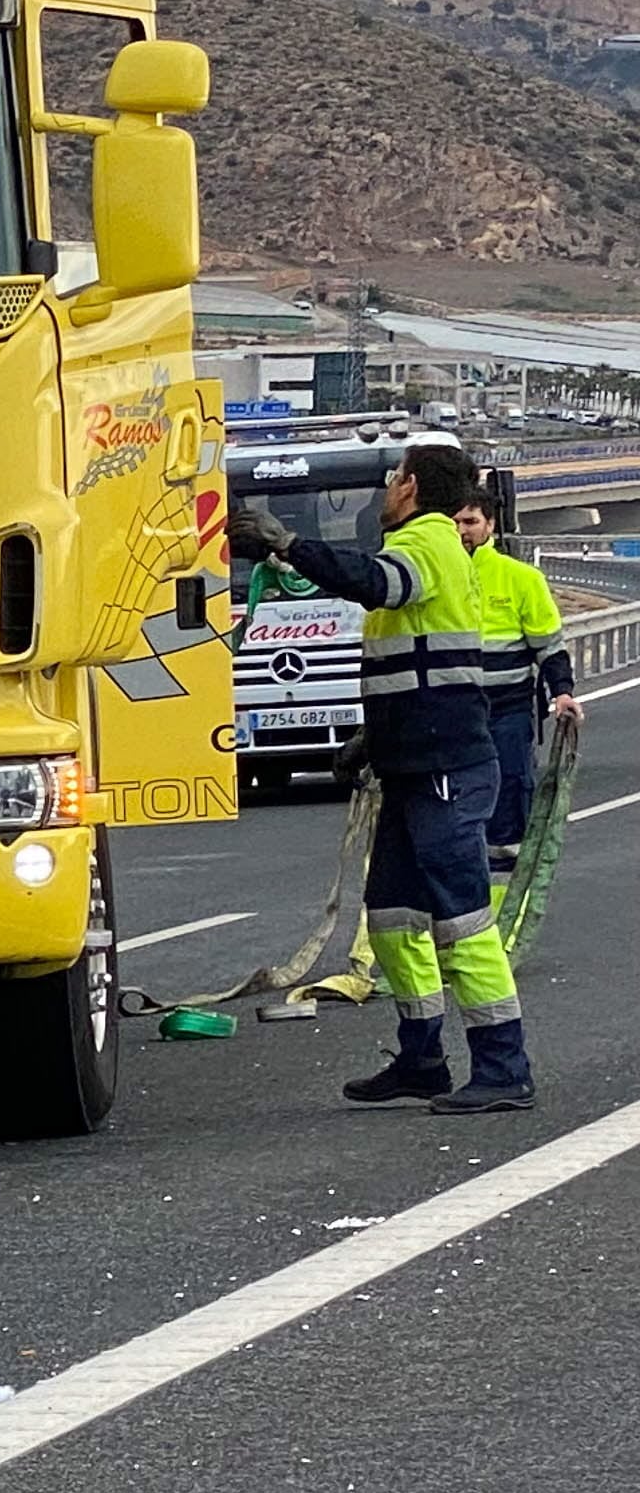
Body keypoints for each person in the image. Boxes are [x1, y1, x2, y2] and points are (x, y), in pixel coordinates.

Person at [231, 442, 536, 1113]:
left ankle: (504, 1068)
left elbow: (378, 583)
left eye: (394, 479)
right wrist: (376, 736)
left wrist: (287, 545)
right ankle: (422, 1058)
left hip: (444, 766)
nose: (388, 491)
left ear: (413, 487)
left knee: (461, 920)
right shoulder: (427, 544)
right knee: (394, 918)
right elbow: (419, 664)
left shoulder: (426, 540)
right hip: (409, 761)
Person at [459, 496, 580, 872]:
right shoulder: (434, 578)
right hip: (453, 712)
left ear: (491, 525)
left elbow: (550, 648)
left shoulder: (522, 579)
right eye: (455, 523)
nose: (462, 531)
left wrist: (562, 693)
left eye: (471, 521)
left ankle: (508, 888)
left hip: (508, 710)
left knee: (510, 791)